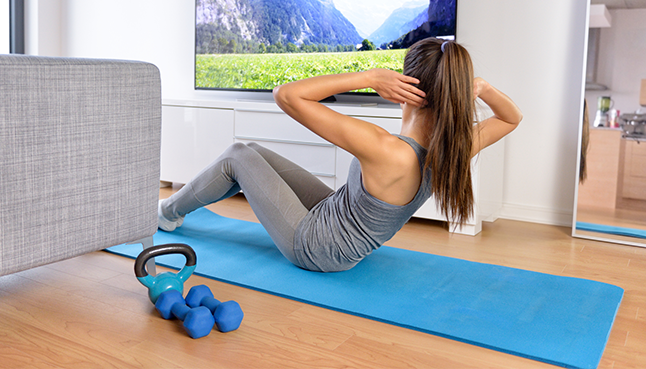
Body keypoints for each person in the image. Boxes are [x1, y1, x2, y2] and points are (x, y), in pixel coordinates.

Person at [158, 38, 522, 272]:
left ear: (405, 88)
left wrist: (367, 77)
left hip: (315, 247)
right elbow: (511, 117)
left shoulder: (386, 149)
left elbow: (286, 95)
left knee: (237, 154)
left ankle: (167, 214)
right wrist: (483, 88)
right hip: (337, 225)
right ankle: (177, 209)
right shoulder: (453, 148)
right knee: (253, 151)